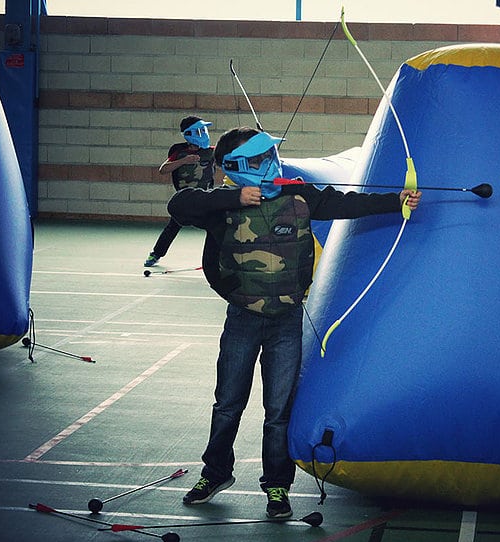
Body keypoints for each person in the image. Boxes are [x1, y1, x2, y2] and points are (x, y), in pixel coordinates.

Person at [167, 126, 421, 518]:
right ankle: (215, 472)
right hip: (242, 319)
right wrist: (235, 195)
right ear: (236, 168)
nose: (270, 165)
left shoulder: (298, 195)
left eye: (271, 156)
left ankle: (277, 487)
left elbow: (347, 204)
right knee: (228, 403)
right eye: (258, 160)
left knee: (278, 410)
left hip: (286, 319)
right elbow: (180, 206)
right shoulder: (222, 206)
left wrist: (397, 201)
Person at [144, 116, 217, 267]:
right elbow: (163, 169)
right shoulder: (179, 151)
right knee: (173, 227)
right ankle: (156, 254)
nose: (203, 133)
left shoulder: (211, 152)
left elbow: (230, 157)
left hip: (205, 200)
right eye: (199, 130)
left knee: (216, 227)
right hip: (185, 200)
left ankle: (216, 259)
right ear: (189, 134)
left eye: (204, 130)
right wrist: (184, 161)